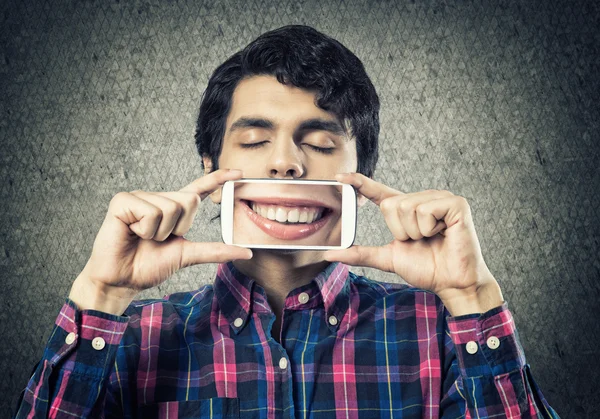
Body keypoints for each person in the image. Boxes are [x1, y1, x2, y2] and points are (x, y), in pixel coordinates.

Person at [15, 25, 560, 418]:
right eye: (254, 140)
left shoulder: (447, 332)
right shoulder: (130, 338)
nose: (287, 163)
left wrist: (471, 295)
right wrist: (100, 293)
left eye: (321, 142)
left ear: (361, 175)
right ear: (210, 167)